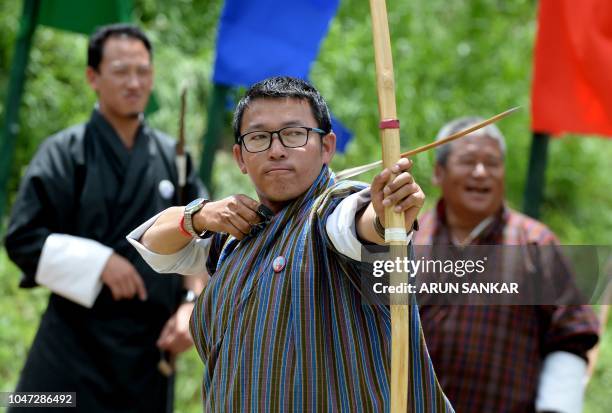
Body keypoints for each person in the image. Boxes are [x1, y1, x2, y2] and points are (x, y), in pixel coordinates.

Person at [127, 76, 455, 411]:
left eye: (294, 134)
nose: (277, 150)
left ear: (327, 146)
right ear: (240, 157)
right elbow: (154, 245)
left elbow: (356, 226)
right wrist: (199, 215)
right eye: (259, 138)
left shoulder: (332, 209)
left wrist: (386, 217)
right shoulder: (236, 235)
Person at [4, 24, 206, 412]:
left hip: (147, 351)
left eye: (143, 71)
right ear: (92, 77)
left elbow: (198, 239)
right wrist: (99, 263)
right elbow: (22, 237)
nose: (134, 82)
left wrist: (190, 303)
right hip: (72, 343)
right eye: (121, 71)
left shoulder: (173, 157)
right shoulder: (65, 152)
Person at [415, 117, 600, 413]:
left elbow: (571, 335)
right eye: (468, 161)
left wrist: (557, 407)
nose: (481, 172)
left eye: (492, 163)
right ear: (439, 172)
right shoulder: (407, 240)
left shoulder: (535, 243)